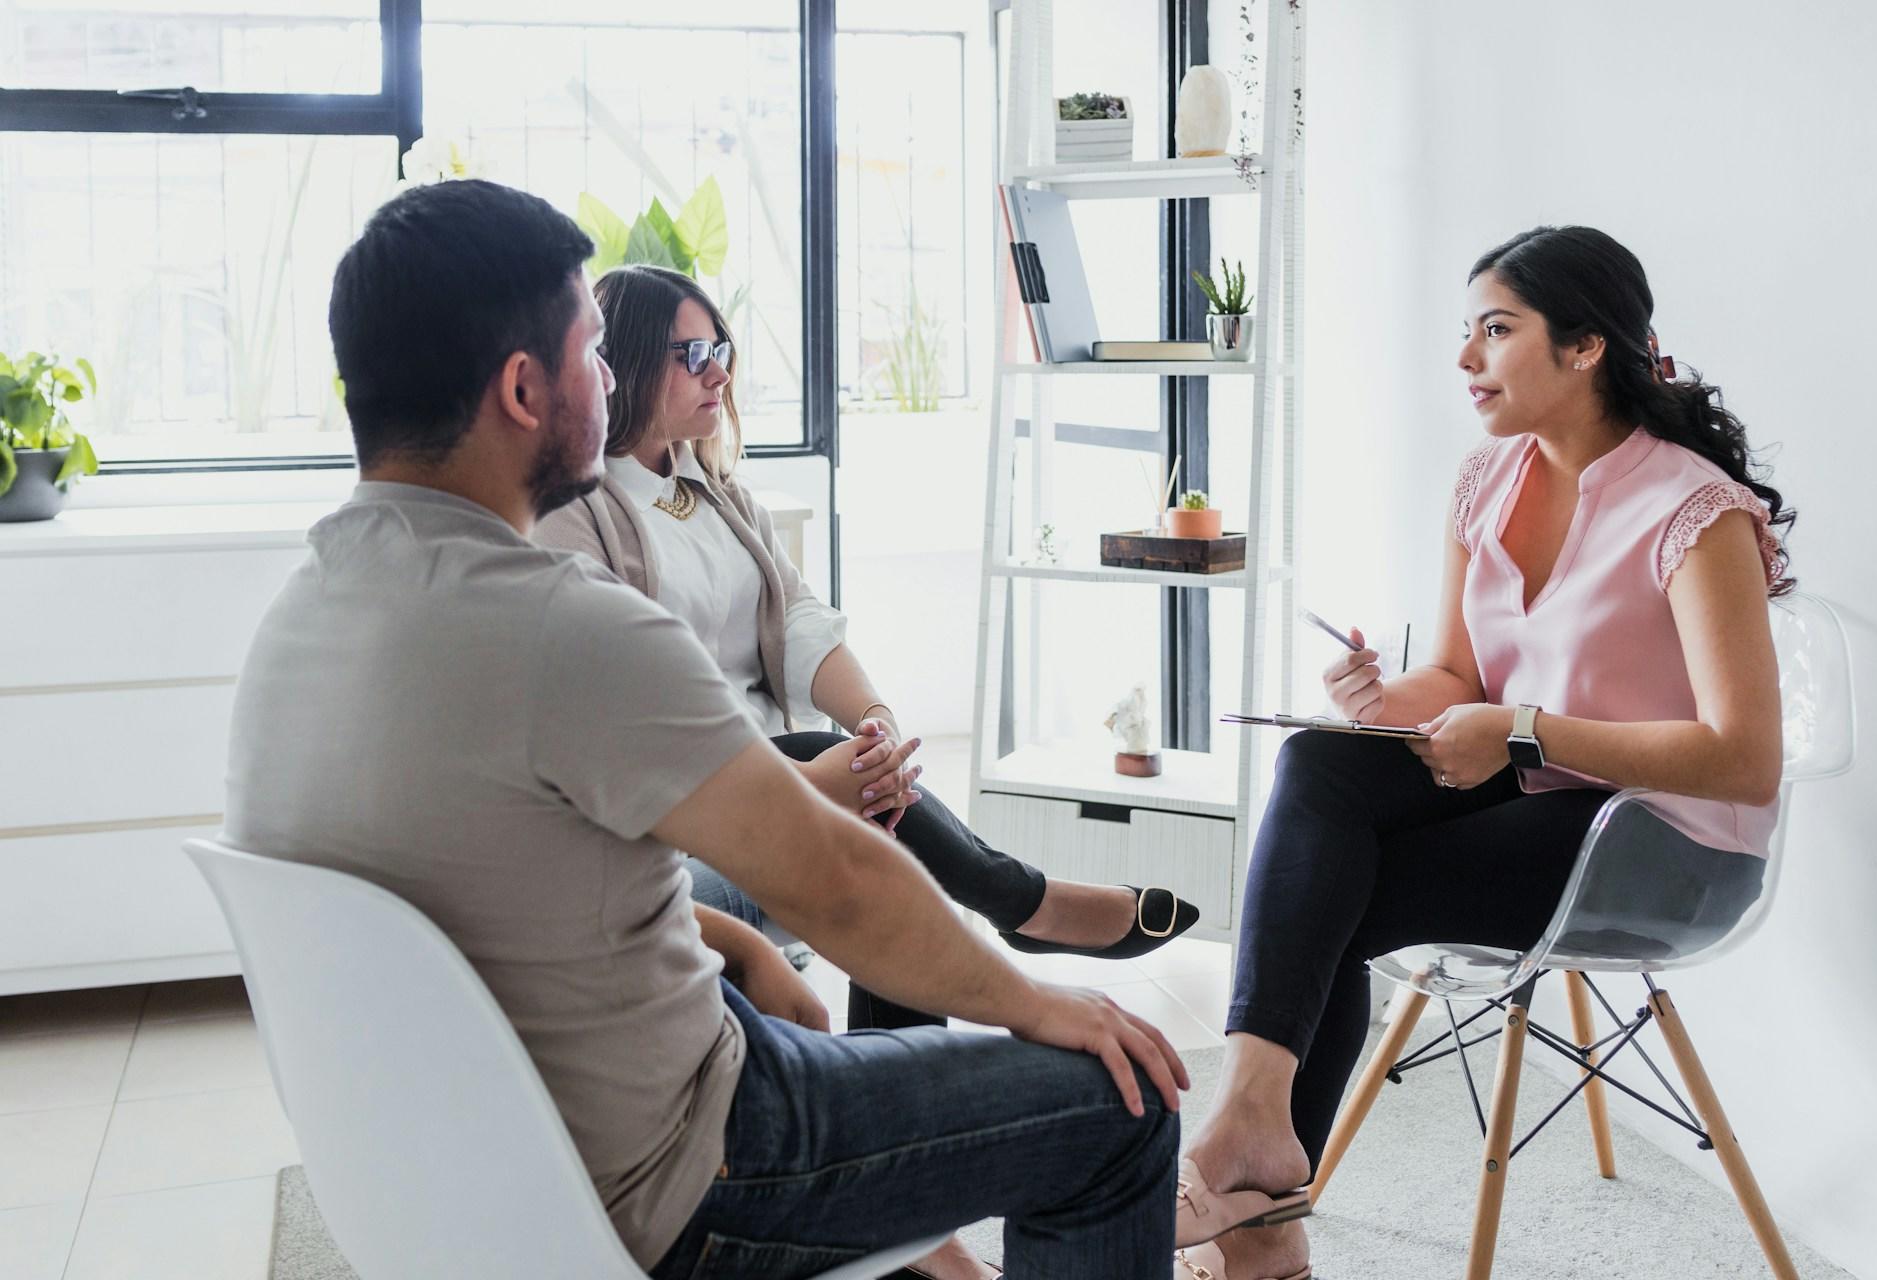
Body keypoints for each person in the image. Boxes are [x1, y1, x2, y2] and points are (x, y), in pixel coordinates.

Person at [224, 178, 1187, 1280]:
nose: (609, 373)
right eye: (593, 348)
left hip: (461, 1178)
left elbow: (530, 892)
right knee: (1118, 1094)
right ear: (526, 387)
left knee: (852, 1034)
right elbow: (840, 883)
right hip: (688, 1171)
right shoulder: (562, 624)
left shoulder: (295, 620)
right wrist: (1036, 1001)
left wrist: (731, 945)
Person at [1168, 225, 1793, 1280]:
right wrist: (1379, 699)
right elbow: (1458, 678)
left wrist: (1523, 729)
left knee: (1338, 894)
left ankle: (1259, 1203)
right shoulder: (1486, 481)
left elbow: (1743, 759)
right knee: (1320, 762)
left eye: (1496, 331)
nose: (1466, 360)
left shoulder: (1695, 511)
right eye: (1468, 332)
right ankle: (1255, 1144)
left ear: (1585, 347)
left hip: (1661, 836)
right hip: (1532, 781)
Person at [531, 264, 1200, 1037]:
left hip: (772, 771)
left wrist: (876, 723)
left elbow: (804, 626)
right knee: (873, 810)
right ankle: (1022, 904)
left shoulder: (724, 497)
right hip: (687, 804)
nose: (718, 370)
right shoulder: (577, 515)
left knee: (880, 801)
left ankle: (965, 979)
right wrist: (803, 784)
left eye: (721, 347)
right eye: (690, 356)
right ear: (629, 365)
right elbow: (626, 718)